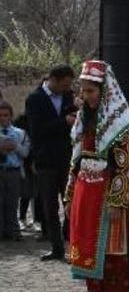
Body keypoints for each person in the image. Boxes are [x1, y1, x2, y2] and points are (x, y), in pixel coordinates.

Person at [64, 60, 129, 292]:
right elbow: (75, 160)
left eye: (91, 91)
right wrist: (70, 194)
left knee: (112, 254)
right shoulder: (83, 119)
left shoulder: (121, 124)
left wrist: (117, 201)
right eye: (83, 91)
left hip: (109, 194)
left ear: (104, 91)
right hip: (85, 192)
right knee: (86, 249)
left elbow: (125, 166)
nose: (86, 96)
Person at [26, 65, 78, 260]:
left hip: (67, 159)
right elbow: (36, 130)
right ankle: (56, 247)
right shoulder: (35, 99)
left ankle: (73, 245)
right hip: (46, 160)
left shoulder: (69, 97)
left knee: (71, 203)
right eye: (64, 84)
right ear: (53, 80)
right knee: (50, 206)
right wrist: (64, 122)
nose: (67, 88)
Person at [0, 101, 30, 241]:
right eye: (0, 115)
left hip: (13, 171)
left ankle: (13, 230)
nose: (3, 118)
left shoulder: (20, 133)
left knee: (12, 202)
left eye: (6, 115)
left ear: (11, 116)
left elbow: (25, 153)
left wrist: (15, 146)